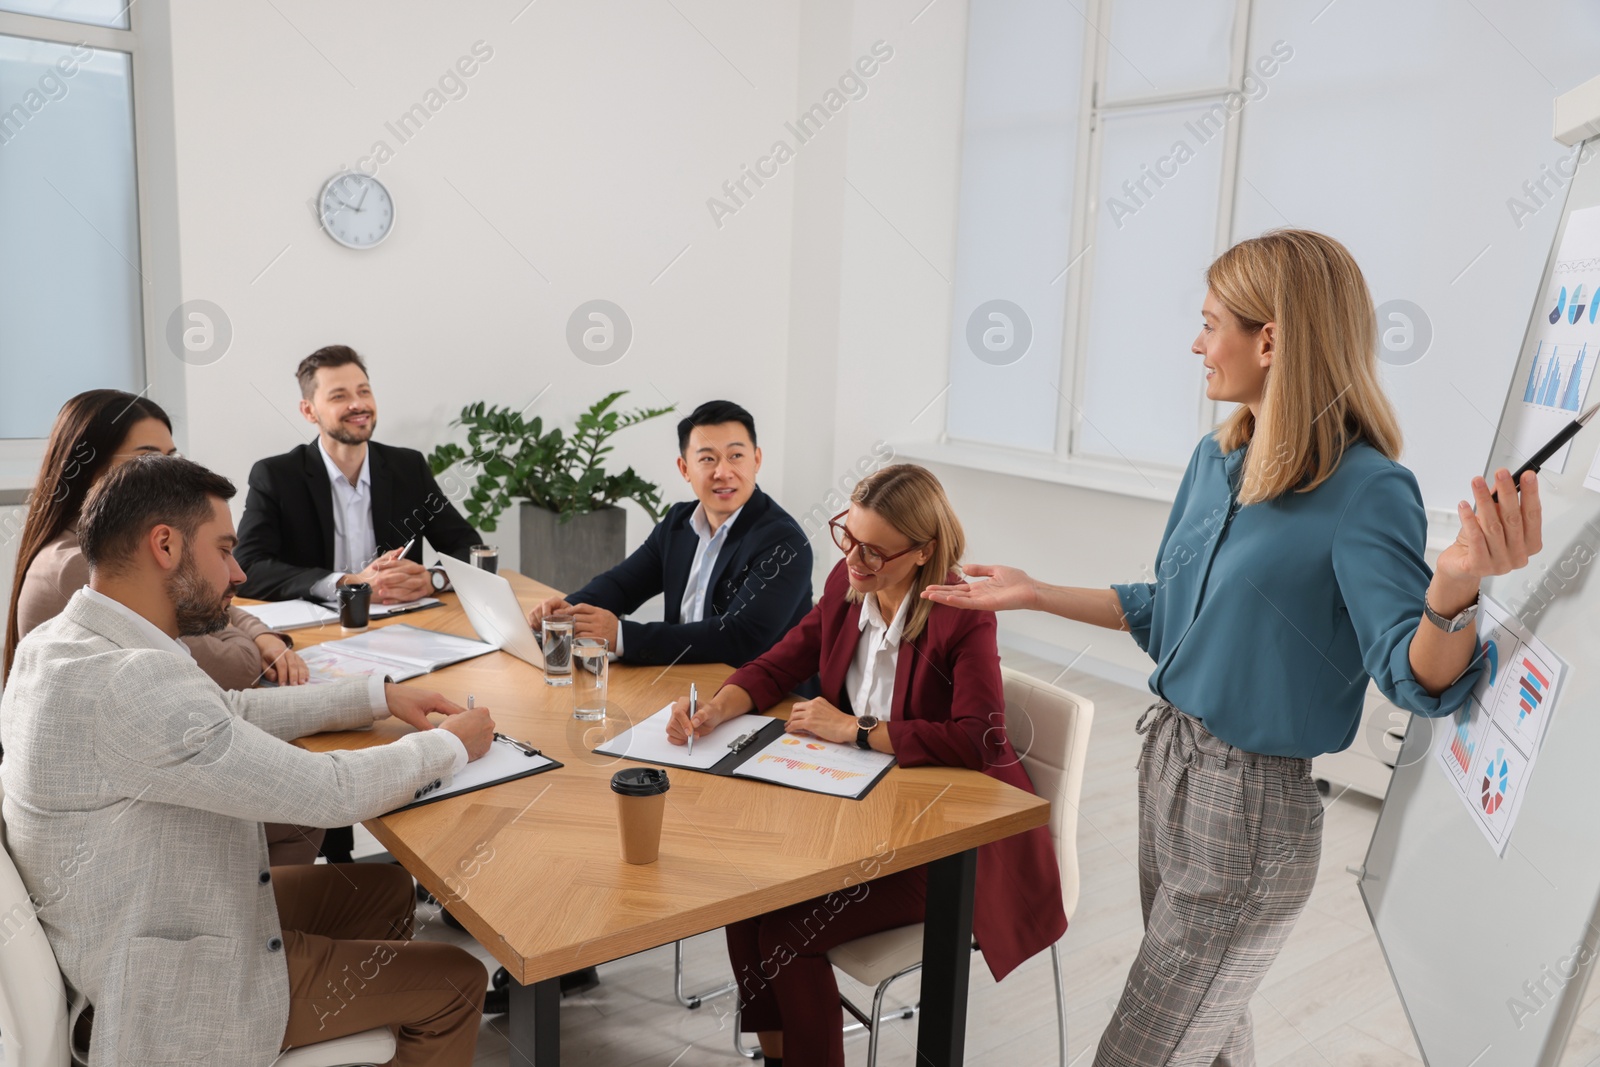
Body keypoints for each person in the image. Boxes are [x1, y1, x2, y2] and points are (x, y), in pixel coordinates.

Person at [923, 229, 1543, 1067]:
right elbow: (1168, 608)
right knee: (1207, 1041)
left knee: (1140, 1050)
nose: (1196, 342)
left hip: (1252, 813)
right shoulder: (1217, 460)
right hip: (1167, 766)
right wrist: (1034, 591)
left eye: (1211, 322)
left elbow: (1415, 674)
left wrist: (1454, 588)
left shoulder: (1368, 490)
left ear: (1273, 339)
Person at [0, 454, 497, 1067]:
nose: (238, 573)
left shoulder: (64, 643)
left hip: (150, 917)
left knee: (387, 889)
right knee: (455, 981)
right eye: (224, 549)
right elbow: (329, 793)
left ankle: (350, 1036)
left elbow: (222, 712)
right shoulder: (128, 683)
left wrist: (377, 697)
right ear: (165, 546)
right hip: (172, 987)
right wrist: (453, 745)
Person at [665, 464, 1065, 1067]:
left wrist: (855, 729)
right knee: (745, 898)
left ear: (922, 552)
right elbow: (780, 662)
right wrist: (718, 707)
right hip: (866, 814)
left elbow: (979, 739)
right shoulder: (847, 585)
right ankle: (780, 1057)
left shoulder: (963, 614)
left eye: (875, 551)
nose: (855, 559)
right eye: (847, 537)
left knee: (786, 933)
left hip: (950, 843)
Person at [4, 390, 325, 864]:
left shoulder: (94, 550)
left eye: (172, 459)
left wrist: (253, 629)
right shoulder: (79, 567)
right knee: (305, 797)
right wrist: (244, 636)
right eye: (148, 460)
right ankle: (267, 931)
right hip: (129, 831)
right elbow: (234, 669)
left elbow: (217, 598)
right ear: (87, 466)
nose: (167, 477)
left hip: (143, 775)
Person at [527, 399, 813, 667]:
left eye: (736, 456)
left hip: (768, 705)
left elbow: (739, 637)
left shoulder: (784, 542)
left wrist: (622, 635)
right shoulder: (679, 522)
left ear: (757, 460)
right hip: (682, 683)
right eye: (707, 459)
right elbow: (622, 585)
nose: (723, 472)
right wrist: (567, 611)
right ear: (685, 468)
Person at [234, 344, 481, 605]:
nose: (358, 404)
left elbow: (470, 548)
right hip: (316, 627)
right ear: (309, 411)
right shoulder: (276, 476)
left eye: (364, 391)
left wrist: (434, 579)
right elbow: (247, 568)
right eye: (339, 396)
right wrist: (348, 584)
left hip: (400, 625)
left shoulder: (408, 467)